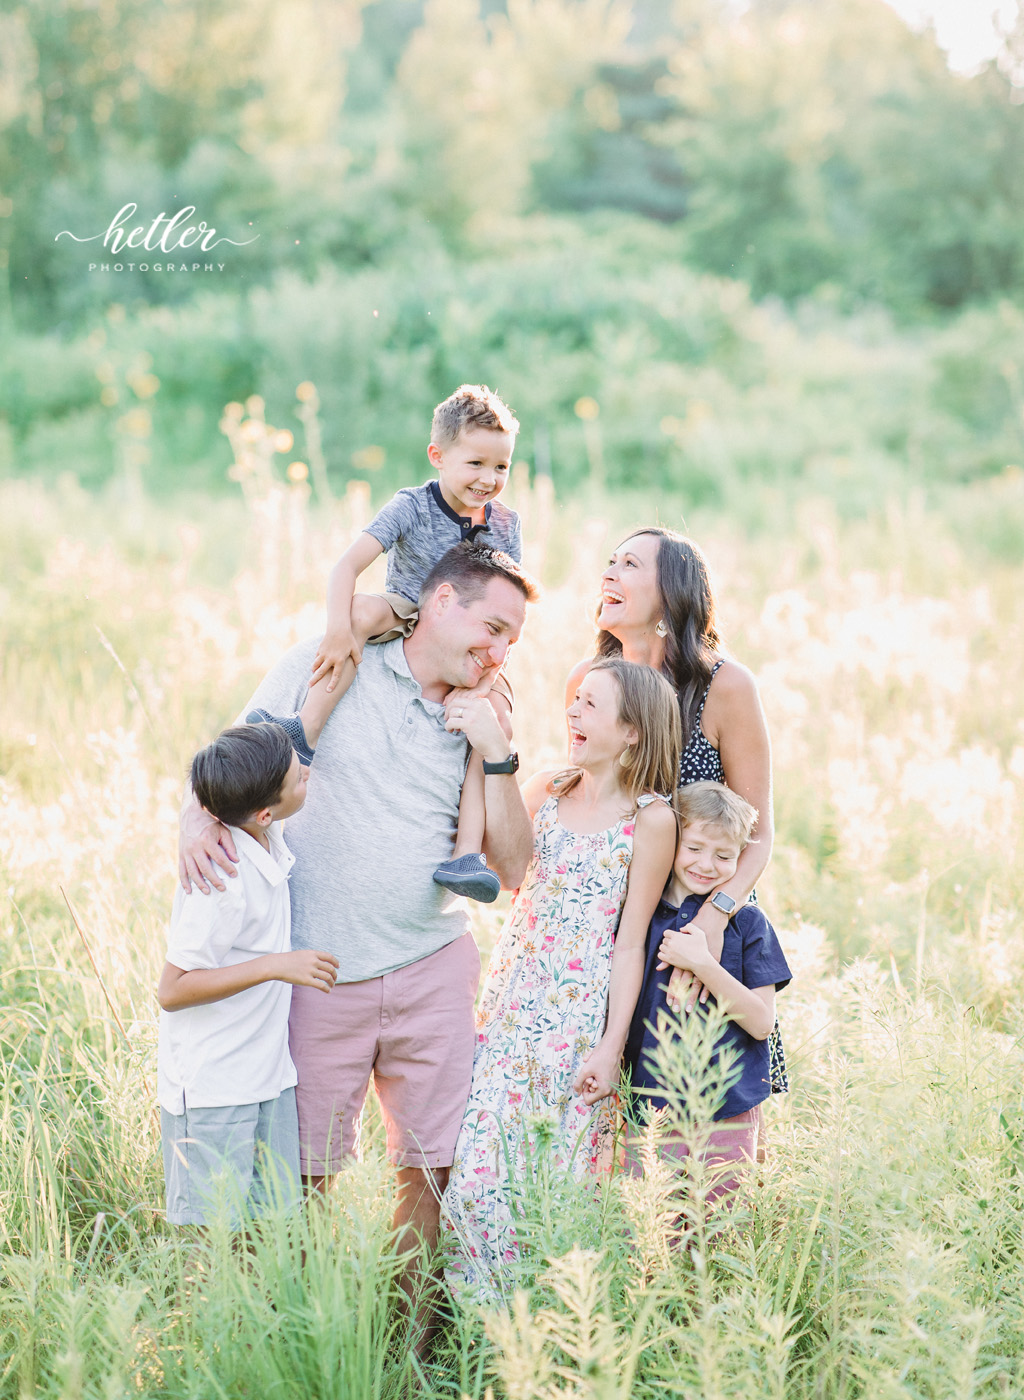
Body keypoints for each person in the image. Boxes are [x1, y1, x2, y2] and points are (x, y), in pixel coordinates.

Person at [178, 542, 536, 1337]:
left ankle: (405, 1342)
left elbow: (514, 869)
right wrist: (189, 822)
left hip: (432, 963)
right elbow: (230, 764)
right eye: (493, 626)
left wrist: (499, 752)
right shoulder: (336, 657)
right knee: (303, 1175)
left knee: (433, 1171)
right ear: (440, 602)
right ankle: (305, 1338)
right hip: (318, 970)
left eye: (514, 638)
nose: (501, 650)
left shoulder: (488, 705)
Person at [441, 659, 680, 1301]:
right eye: (573, 702)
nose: (572, 713)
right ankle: (476, 1327)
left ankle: (543, 1332)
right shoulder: (549, 786)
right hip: (515, 1005)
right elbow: (510, 872)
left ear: (632, 732)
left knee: (559, 1181)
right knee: (478, 1173)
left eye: (591, 705)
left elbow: (632, 940)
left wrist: (610, 1046)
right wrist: (497, 759)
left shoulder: (651, 820)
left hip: (580, 1022)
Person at [249, 383, 522, 904]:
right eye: (476, 464)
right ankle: (304, 731)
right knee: (359, 613)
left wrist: (487, 682)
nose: (489, 480)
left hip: (469, 631)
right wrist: (336, 629)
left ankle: (465, 853)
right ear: (437, 456)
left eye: (502, 468)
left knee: (492, 717)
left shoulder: (507, 524)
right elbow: (347, 566)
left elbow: (509, 605)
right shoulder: (412, 506)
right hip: (406, 608)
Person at [565, 527, 787, 1098]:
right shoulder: (588, 684)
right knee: (611, 1108)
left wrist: (708, 924)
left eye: (630, 564)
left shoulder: (725, 686)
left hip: (703, 919)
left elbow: (758, 836)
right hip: (612, 926)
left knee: (714, 1108)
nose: (609, 573)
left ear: (671, 593)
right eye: (609, 561)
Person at [158, 723, 339, 1229]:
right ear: (264, 812)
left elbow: (307, 716)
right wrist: (277, 966)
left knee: (266, 1232)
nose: (306, 770)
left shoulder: (264, 833)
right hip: (216, 1087)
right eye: (296, 778)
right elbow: (171, 990)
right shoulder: (219, 875)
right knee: (209, 1243)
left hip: (266, 1078)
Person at [625, 781, 791, 1213]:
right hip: (650, 1107)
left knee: (721, 1230)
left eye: (724, 856)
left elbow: (761, 1022)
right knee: (651, 1232)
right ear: (674, 841)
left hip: (727, 1107)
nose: (707, 865)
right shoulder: (641, 914)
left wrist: (703, 964)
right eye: (695, 848)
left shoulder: (749, 923)